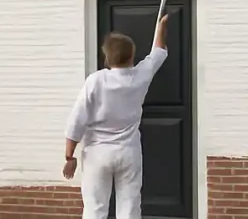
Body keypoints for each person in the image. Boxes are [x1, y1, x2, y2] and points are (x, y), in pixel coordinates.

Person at [62, 13, 170, 219]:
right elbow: (157, 53)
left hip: (97, 154)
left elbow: (77, 120)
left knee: (95, 208)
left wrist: (69, 156)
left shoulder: (95, 81)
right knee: (129, 207)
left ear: (107, 57)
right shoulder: (140, 76)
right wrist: (161, 27)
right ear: (131, 56)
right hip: (128, 153)